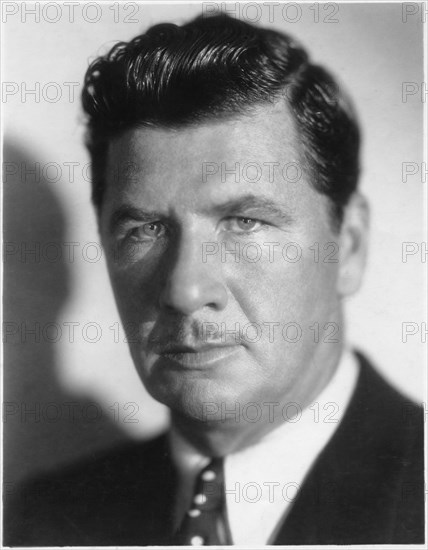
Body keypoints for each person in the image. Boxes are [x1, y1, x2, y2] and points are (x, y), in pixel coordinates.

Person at [5, 13, 424, 546]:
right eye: (145, 229)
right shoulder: (45, 521)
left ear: (350, 245)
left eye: (245, 222)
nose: (185, 290)